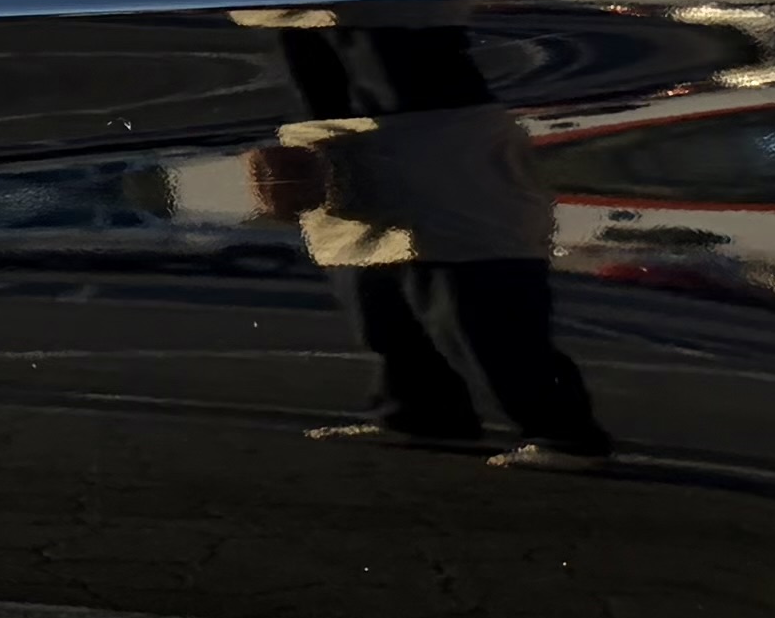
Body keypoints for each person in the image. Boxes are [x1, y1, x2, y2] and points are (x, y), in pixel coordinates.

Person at [249, 24, 615, 469]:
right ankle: (420, 410)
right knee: (381, 302)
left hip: (434, 148)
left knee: (472, 304)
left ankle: (561, 431)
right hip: (356, 152)